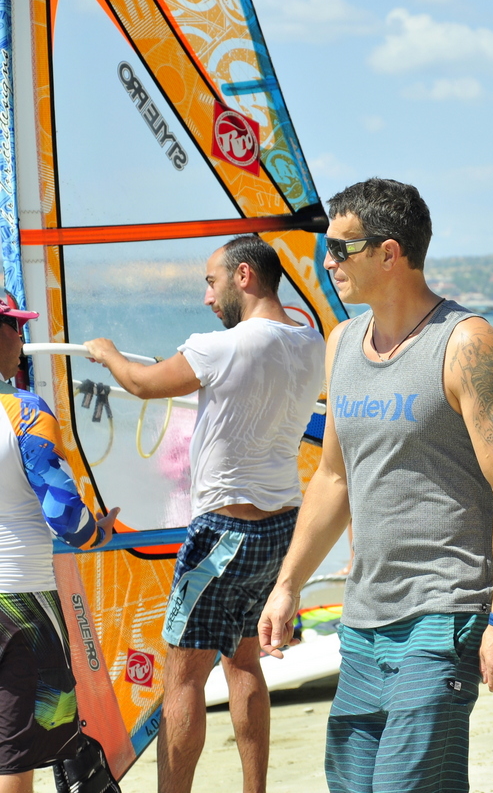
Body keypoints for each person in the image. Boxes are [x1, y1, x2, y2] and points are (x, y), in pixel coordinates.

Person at [257, 178, 493, 793]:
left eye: (340, 248)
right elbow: (334, 477)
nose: (327, 262)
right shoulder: (341, 344)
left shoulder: (467, 344)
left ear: (389, 253)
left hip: (445, 609)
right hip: (363, 618)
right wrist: (287, 585)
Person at [83, 236, 325, 793]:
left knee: (185, 675)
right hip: (280, 529)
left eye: (211, 283)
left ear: (244, 276)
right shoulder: (310, 342)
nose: (207, 297)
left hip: (223, 533)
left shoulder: (220, 347)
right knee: (244, 661)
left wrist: (107, 353)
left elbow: (141, 384)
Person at [1, 291, 119, 793]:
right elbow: (65, 516)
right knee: (14, 750)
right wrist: (98, 531)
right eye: (16, 328)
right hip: (18, 598)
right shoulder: (24, 412)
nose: (22, 340)